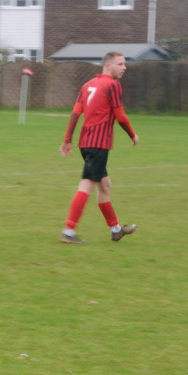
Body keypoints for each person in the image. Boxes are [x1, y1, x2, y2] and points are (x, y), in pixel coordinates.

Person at [58, 51, 139, 244]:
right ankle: (68, 231)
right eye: (120, 64)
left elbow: (76, 113)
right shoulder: (113, 85)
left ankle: (116, 229)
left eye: (124, 64)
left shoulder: (87, 85)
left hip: (85, 144)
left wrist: (68, 139)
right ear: (108, 65)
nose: (124, 67)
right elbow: (120, 116)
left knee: (105, 185)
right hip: (98, 145)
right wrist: (132, 134)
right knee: (87, 184)